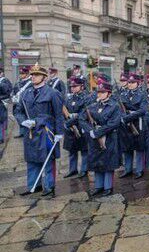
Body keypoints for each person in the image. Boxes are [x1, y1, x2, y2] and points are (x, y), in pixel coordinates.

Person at [14, 64, 64, 196]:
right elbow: (18, 111)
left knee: (47, 160)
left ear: (44, 77)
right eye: (32, 75)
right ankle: (34, 185)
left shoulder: (53, 93)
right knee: (32, 160)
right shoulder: (26, 92)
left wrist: (59, 133)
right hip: (30, 132)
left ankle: (49, 187)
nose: (33, 77)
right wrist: (22, 121)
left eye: (36, 75)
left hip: (46, 132)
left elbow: (58, 114)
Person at [80, 81, 120, 196]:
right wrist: (90, 130)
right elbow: (82, 119)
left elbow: (114, 123)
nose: (100, 94)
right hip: (94, 138)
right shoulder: (92, 106)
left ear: (109, 93)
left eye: (103, 92)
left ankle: (108, 187)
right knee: (97, 162)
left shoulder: (114, 106)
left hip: (109, 138)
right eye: (99, 92)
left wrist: (98, 132)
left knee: (108, 162)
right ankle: (98, 186)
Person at [119, 73, 147, 179]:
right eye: (129, 82)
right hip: (127, 124)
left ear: (138, 83)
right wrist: (124, 116)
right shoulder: (123, 94)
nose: (130, 84)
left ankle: (139, 170)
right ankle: (128, 169)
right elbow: (120, 109)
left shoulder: (142, 94)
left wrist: (129, 115)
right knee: (127, 148)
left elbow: (143, 110)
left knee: (139, 148)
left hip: (137, 124)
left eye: (132, 82)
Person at [63, 76, 90, 178]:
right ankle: (72, 169)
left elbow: (84, 113)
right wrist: (67, 121)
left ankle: (84, 170)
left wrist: (70, 120)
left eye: (75, 86)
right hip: (71, 128)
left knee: (84, 150)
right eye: (71, 87)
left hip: (81, 126)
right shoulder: (69, 98)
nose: (73, 88)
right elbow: (64, 111)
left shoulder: (86, 98)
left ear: (81, 86)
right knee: (72, 150)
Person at [12, 66, 32, 138]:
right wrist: (13, 96)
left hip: (26, 104)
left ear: (27, 74)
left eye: (22, 73)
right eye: (20, 73)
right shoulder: (18, 82)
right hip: (17, 103)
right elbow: (14, 90)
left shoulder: (30, 83)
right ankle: (22, 132)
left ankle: (26, 132)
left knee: (26, 117)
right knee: (18, 117)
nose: (20, 75)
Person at [0, 68, 13, 144]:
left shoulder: (4, 81)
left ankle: (1, 138)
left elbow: (7, 91)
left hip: (2, 102)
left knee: (1, 120)